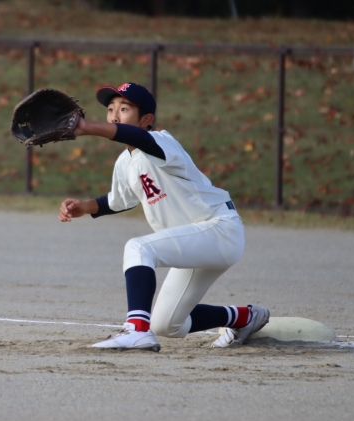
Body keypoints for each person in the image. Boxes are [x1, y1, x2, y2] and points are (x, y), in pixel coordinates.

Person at [57, 82, 269, 351]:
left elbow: (141, 139)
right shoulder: (125, 162)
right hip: (192, 242)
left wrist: (87, 127)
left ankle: (136, 329)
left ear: (146, 120)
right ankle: (245, 318)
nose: (114, 115)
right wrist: (85, 207)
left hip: (218, 229)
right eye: (111, 109)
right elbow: (119, 201)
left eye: (124, 109)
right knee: (166, 324)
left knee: (138, 248)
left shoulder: (160, 141)